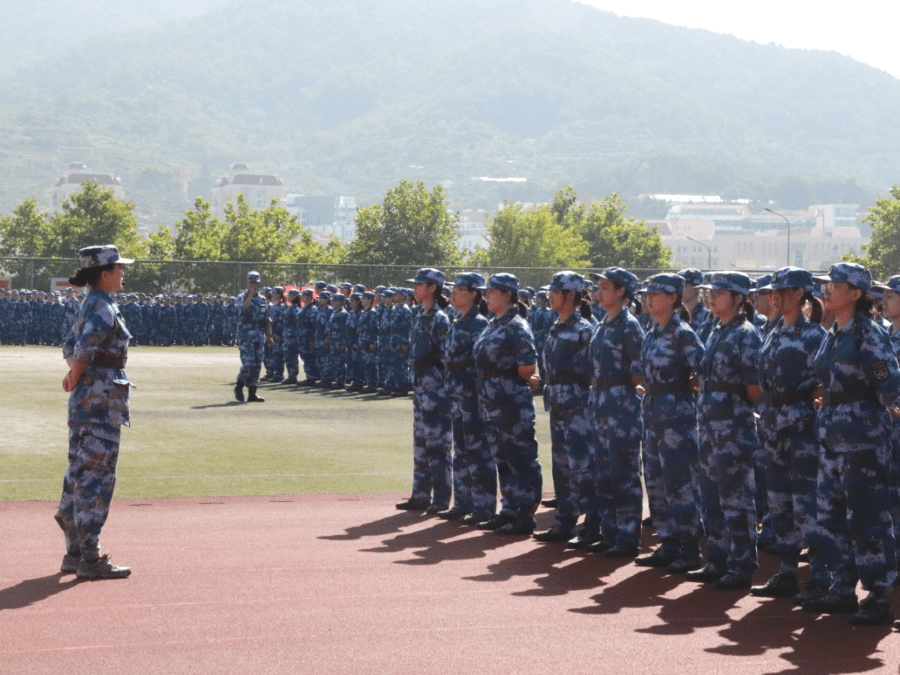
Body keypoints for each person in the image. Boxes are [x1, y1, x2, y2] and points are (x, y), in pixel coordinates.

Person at [804, 263, 900, 625]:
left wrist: (861, 404)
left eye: (835, 285)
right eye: (827, 285)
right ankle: (842, 589)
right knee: (830, 516)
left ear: (856, 294)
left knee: (867, 518)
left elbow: (889, 383)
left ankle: (877, 596)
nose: (827, 290)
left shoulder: (868, 334)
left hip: (862, 439)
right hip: (831, 437)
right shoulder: (833, 332)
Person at [751, 267, 829, 603]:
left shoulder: (813, 336)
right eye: (772, 291)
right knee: (779, 503)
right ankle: (786, 573)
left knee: (807, 504)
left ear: (799, 294)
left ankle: (819, 578)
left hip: (801, 427)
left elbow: (827, 381)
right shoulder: (772, 332)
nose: (773, 296)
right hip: (773, 424)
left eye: (780, 291)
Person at [56, 245, 134, 580]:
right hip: (101, 406)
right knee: (96, 478)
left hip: (88, 403)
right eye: (117, 268)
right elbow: (84, 350)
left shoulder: (91, 303)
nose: (122, 273)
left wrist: (75, 375)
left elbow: (70, 349)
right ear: (103, 273)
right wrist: (76, 375)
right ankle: (91, 557)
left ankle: (75, 551)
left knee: (79, 472)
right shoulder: (101, 307)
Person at [688, 272, 762, 589]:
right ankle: (717, 560)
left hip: (733, 429)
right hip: (708, 428)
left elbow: (755, 389)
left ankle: (741, 566)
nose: (711, 297)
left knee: (737, 500)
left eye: (718, 293)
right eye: (710, 292)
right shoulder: (714, 330)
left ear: (737, 298)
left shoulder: (746, 335)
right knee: (712, 498)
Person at [635, 273, 705, 573]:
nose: (649, 299)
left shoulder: (683, 333)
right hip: (652, 415)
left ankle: (689, 548)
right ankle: (668, 542)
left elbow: (704, 372)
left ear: (673, 298)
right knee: (656, 482)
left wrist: (686, 385)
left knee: (680, 484)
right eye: (648, 294)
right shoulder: (651, 332)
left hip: (677, 418)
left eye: (657, 294)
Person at [532, 272, 600, 548]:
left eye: (556, 291)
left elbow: (594, 370)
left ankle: (593, 527)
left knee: (582, 468)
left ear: (571, 295)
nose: (550, 296)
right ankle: (564, 521)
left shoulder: (584, 329)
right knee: (561, 467)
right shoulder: (556, 326)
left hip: (578, 406)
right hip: (558, 404)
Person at [473, 273, 543, 535]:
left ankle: (525, 514)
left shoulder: (516, 326)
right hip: (492, 401)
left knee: (521, 458)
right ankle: (509, 509)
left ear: (507, 295)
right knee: (502, 458)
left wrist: (512, 382)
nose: (487, 296)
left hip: (511, 402)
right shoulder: (494, 323)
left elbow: (527, 367)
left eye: (492, 291)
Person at [587, 267, 645, 558]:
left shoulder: (629, 326)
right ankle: (609, 531)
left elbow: (638, 373)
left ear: (621, 291)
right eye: (599, 287)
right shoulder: (603, 324)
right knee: (604, 474)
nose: (599, 292)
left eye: (605, 287)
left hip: (621, 407)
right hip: (599, 405)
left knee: (623, 473)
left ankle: (627, 535)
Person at [441, 273, 497, 524]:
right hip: (456, 392)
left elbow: (483, 363)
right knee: (461, 450)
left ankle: (483, 506)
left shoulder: (479, 324)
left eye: (459, 289)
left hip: (472, 395)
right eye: (452, 289)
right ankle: (462, 502)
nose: (453, 293)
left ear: (473, 294)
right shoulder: (457, 320)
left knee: (478, 450)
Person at [396, 269, 453, 513]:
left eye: (420, 284)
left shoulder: (441, 318)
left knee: (437, 444)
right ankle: (420, 495)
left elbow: (447, 356)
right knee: (421, 442)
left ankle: (440, 499)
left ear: (432, 288)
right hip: (421, 386)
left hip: (436, 388)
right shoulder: (421, 315)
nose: (415, 288)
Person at [234, 271, 271, 403]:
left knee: (257, 364)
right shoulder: (242, 297)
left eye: (255, 282)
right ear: (247, 282)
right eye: (251, 282)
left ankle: (252, 393)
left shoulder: (262, 299)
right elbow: (243, 308)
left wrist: (269, 336)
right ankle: (239, 386)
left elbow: (267, 319)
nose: (253, 284)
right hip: (246, 335)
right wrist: (249, 294)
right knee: (248, 363)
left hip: (259, 334)